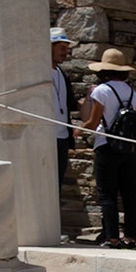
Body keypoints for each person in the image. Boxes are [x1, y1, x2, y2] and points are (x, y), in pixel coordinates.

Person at [77, 47, 136, 248]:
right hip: (130, 148)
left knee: (107, 194)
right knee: (129, 193)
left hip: (107, 146)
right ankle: (131, 237)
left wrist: (78, 129)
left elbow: (93, 122)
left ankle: (112, 238)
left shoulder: (101, 90)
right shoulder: (131, 91)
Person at [49, 28, 76, 187]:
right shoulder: (39, 73)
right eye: (62, 48)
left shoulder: (62, 74)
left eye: (67, 48)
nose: (65, 53)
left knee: (57, 183)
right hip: (46, 137)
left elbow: (71, 104)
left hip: (62, 138)